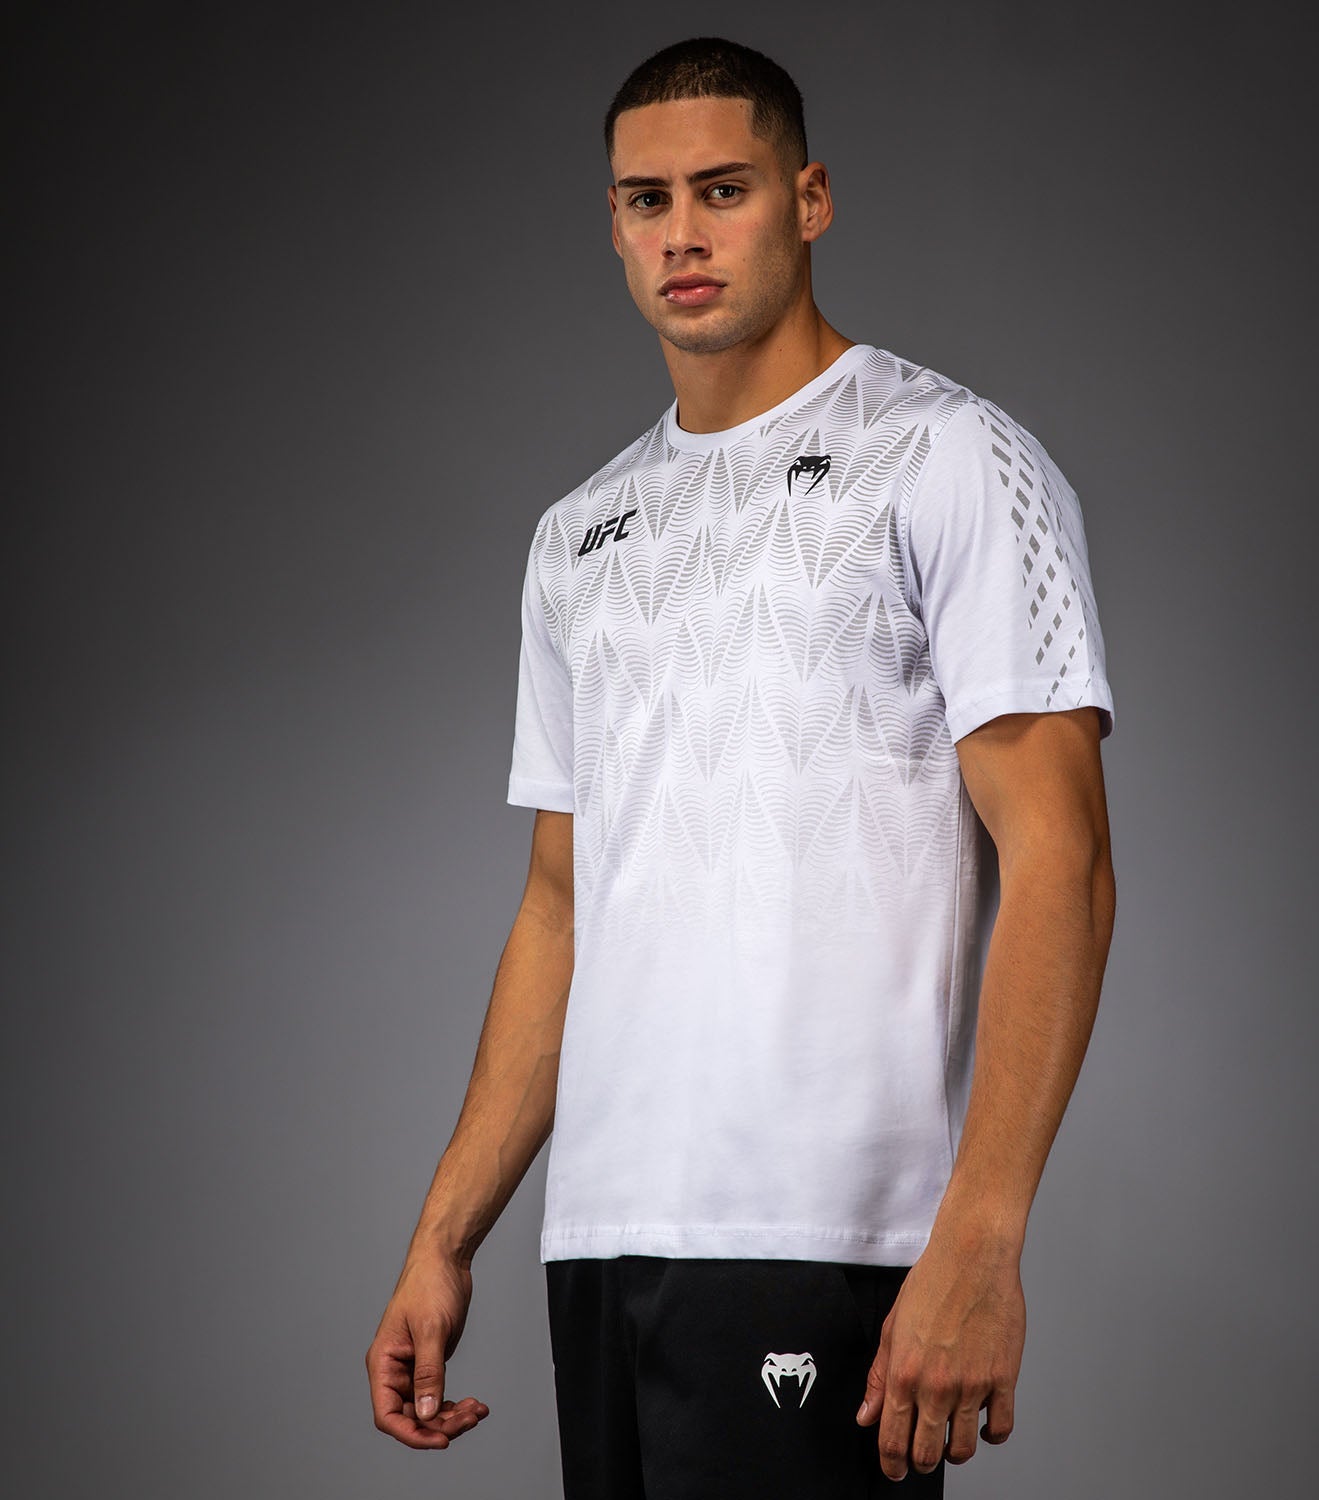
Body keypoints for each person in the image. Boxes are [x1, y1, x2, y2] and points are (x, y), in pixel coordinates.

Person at [366, 35, 1117, 1498]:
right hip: (602, 1243)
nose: (683, 235)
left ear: (808, 198)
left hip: (824, 1237)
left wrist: (980, 1233)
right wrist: (444, 1236)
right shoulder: (577, 536)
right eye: (647, 201)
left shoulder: (947, 457)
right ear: (612, 224)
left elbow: (1062, 857)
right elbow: (561, 907)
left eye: (724, 189)